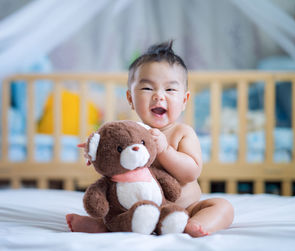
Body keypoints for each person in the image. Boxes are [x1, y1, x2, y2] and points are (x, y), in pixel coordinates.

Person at [66, 41, 234, 237]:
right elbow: (112, 153)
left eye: (170, 90)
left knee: (223, 206)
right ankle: (103, 224)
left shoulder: (182, 132)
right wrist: (95, 150)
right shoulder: (129, 131)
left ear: (185, 100)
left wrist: (165, 151)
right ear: (130, 99)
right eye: (147, 89)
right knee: (112, 211)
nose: (159, 96)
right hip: (136, 211)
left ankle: (194, 225)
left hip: (184, 209)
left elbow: (191, 172)